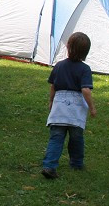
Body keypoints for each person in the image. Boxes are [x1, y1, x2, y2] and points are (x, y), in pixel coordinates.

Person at [41, 32, 97, 179]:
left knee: (56, 137)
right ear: (86, 52)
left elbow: (53, 86)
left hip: (59, 107)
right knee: (76, 138)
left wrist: (51, 101)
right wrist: (92, 107)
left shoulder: (59, 66)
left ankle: (49, 165)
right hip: (76, 110)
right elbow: (85, 90)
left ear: (68, 47)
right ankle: (77, 163)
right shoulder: (85, 69)